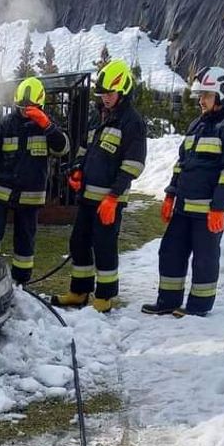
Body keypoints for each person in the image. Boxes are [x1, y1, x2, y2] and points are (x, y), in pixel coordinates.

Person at [142, 66, 224, 318]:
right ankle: (168, 301)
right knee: (171, 252)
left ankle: (198, 307)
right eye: (200, 95)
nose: (200, 100)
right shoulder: (197, 126)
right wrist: (171, 194)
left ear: (222, 93)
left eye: (206, 94)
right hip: (184, 206)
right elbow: (182, 163)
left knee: (204, 258)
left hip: (210, 211)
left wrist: (218, 208)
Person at [57, 59, 147, 313]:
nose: (105, 98)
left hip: (109, 199)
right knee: (79, 243)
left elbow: (134, 164)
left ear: (123, 91)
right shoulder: (101, 118)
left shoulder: (132, 122)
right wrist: (77, 169)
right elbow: (87, 151)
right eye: (103, 94)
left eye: (110, 93)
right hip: (88, 196)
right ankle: (79, 291)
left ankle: (104, 297)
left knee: (104, 246)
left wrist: (113, 197)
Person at [0, 77, 70, 283]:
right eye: (22, 107)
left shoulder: (47, 127)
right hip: (0, 191)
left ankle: (21, 282)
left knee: (25, 241)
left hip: (30, 196)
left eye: (30, 107)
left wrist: (47, 126)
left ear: (40, 105)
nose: (25, 111)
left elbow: (64, 149)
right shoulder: (6, 125)